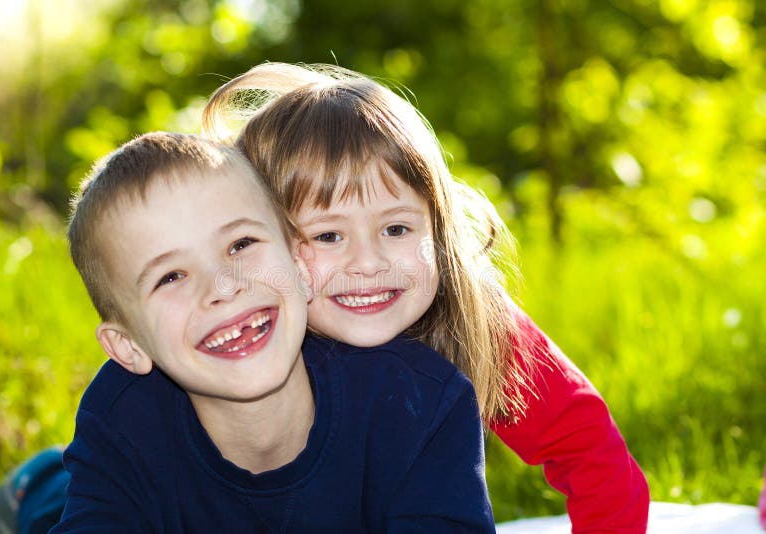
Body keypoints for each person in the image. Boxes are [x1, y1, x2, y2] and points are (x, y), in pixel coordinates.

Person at [202, 62, 651, 533]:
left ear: (437, 229)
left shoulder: (473, 318)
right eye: (329, 235)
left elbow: (588, 448)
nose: (369, 262)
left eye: (396, 228)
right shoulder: (244, 335)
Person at [48, 132, 494, 531]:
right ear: (127, 346)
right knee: (48, 502)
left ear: (299, 265)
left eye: (241, 245)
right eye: (170, 277)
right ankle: (36, 484)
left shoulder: (419, 402)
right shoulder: (121, 422)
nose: (222, 288)